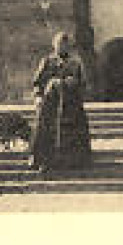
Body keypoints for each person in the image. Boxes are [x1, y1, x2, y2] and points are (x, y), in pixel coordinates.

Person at [28, 31, 91, 172]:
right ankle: (41, 159)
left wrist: (73, 84)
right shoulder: (47, 61)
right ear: (54, 45)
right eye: (58, 44)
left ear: (69, 46)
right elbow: (37, 83)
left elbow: (83, 84)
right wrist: (38, 96)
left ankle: (73, 161)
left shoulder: (75, 63)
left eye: (64, 44)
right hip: (50, 105)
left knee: (72, 132)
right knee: (44, 131)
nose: (61, 47)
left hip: (70, 105)